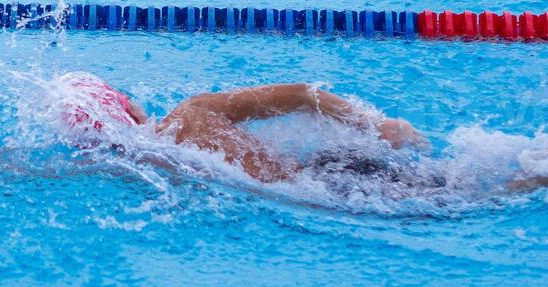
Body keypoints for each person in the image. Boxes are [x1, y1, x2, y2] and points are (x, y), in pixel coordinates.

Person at [62, 75, 427, 184]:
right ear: (130, 109)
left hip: (320, 202)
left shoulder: (142, 175)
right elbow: (303, 95)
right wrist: (376, 126)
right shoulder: (190, 115)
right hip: (332, 178)